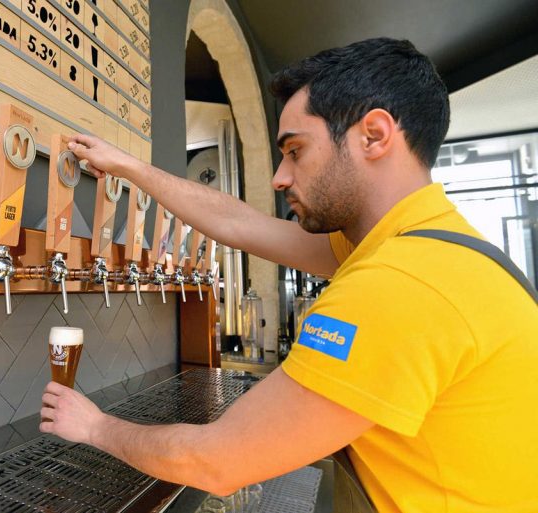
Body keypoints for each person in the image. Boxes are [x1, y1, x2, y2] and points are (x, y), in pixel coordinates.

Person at [39, 38, 538, 513]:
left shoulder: (399, 283)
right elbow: (241, 225)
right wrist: (129, 167)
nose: (279, 177)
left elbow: (216, 461)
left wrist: (95, 427)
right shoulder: (427, 248)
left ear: (375, 135)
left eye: (295, 151)